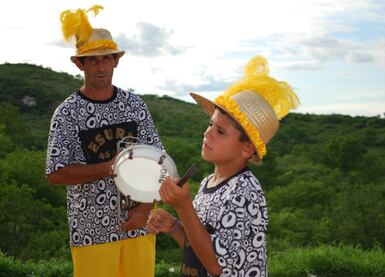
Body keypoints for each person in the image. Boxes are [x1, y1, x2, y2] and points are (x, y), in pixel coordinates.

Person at [146, 55, 300, 276]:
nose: (207, 133)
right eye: (210, 124)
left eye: (220, 131)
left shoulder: (245, 192)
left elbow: (217, 266)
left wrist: (183, 206)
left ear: (247, 148)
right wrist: (174, 227)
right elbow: (198, 247)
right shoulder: (209, 182)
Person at [46, 5, 160, 277]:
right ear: (79, 64)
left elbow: (158, 161)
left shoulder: (135, 106)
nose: (100, 67)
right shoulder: (67, 113)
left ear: (115, 61)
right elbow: (55, 173)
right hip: (91, 232)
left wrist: (144, 210)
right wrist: (110, 167)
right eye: (93, 60)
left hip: (138, 227)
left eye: (106, 59)